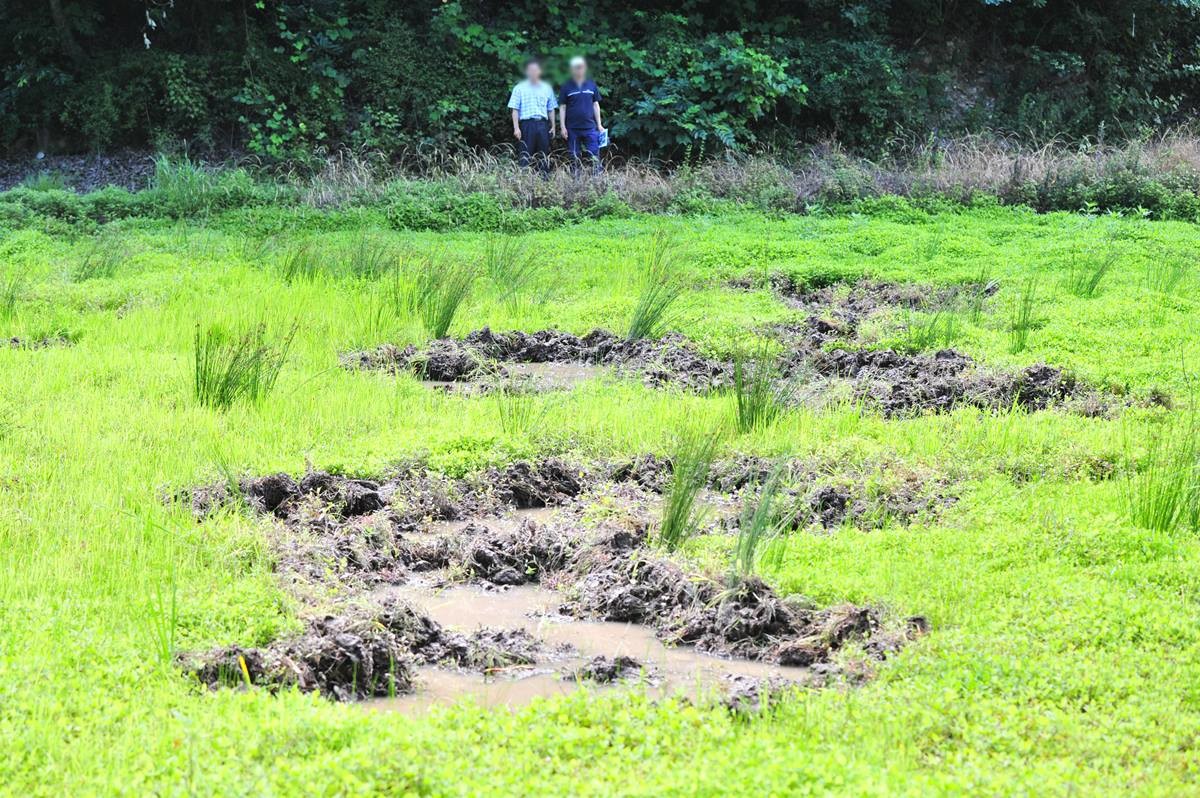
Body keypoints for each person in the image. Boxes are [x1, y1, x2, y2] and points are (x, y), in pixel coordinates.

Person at [507, 57, 557, 178]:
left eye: (536, 70)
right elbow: (515, 109)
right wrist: (516, 128)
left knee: (543, 154)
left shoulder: (547, 88)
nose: (534, 72)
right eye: (531, 70)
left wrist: (554, 126)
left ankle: (544, 180)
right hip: (526, 125)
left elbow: (551, 109)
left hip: (543, 125)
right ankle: (523, 181)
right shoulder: (519, 88)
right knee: (525, 153)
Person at [557, 56, 606, 176]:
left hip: (590, 127)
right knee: (574, 156)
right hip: (572, 129)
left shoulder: (591, 84)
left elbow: (596, 104)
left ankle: (597, 180)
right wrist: (562, 127)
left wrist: (599, 125)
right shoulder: (566, 86)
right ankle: (575, 181)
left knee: (594, 154)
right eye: (576, 68)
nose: (579, 70)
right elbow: (562, 107)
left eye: (581, 67)